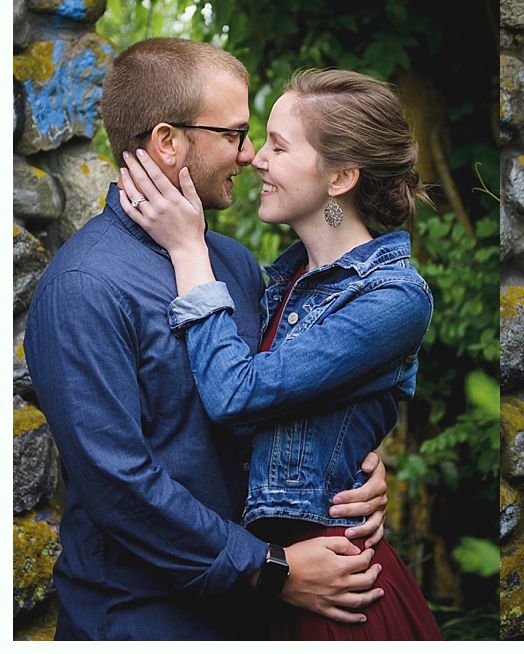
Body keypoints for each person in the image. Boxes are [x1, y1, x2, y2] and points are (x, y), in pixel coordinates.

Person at [24, 38, 390, 641]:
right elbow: (119, 486)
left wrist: (352, 468)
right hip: (144, 620)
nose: (248, 156)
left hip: (258, 619)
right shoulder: (84, 287)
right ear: (169, 142)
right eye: (234, 134)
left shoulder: (236, 264)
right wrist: (269, 569)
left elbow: (276, 408)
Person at [117, 67, 441, 640]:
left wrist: (190, 251)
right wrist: (355, 452)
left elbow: (237, 394)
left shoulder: (392, 297)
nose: (255, 159)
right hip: (273, 575)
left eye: (278, 145)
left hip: (337, 587)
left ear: (340, 176)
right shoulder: (277, 280)